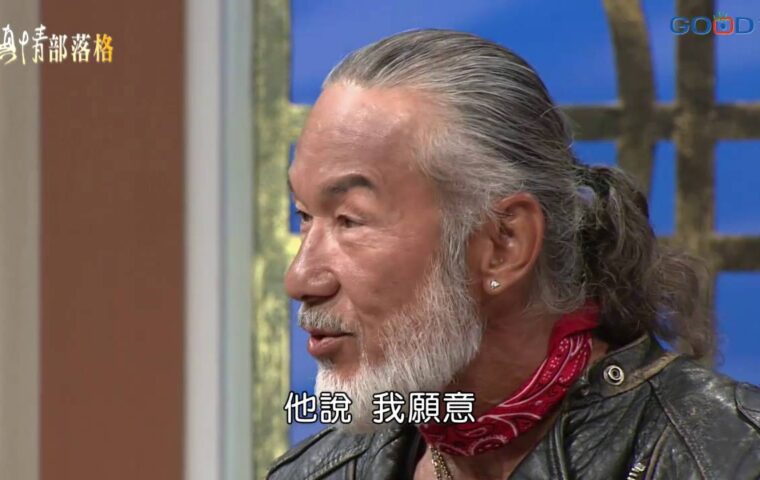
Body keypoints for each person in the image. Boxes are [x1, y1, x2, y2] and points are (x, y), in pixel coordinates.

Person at [267, 29, 760, 479]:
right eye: (304, 215)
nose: (300, 278)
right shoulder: (314, 473)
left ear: (503, 244)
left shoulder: (727, 458)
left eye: (350, 220)